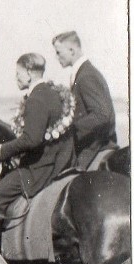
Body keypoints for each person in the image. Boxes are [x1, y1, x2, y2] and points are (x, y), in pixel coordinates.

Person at [0, 53, 76, 250]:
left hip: (41, 168)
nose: (16, 78)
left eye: (18, 73)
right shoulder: (53, 93)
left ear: (28, 72)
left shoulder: (36, 99)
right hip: (60, 161)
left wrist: (3, 150)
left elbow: (32, 139)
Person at [52, 31, 117, 168]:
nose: (56, 57)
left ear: (72, 50)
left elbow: (102, 115)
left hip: (94, 148)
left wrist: (69, 129)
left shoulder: (86, 76)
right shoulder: (83, 73)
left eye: (58, 52)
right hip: (91, 145)